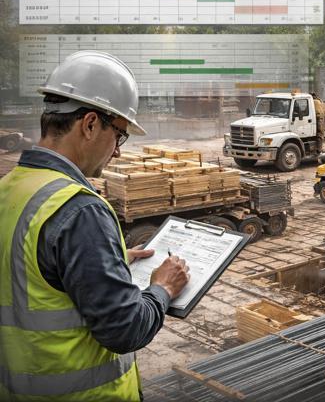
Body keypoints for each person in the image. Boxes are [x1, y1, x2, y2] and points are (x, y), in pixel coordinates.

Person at [0, 51, 190, 400]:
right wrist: (163, 288)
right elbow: (126, 330)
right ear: (89, 124)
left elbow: (32, 276)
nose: (117, 152)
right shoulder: (79, 211)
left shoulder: (12, 188)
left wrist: (108, 258)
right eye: (120, 135)